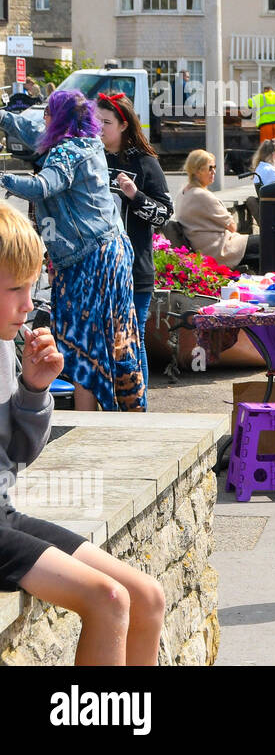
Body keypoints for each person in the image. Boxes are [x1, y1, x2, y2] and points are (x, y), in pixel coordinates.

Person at [0, 203, 165, 664]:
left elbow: (16, 453)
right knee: (108, 600)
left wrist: (34, 389)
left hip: (4, 513)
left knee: (146, 596)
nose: (29, 305)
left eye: (32, 287)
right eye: (15, 289)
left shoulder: (4, 350)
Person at [0, 91, 144, 411]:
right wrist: (4, 117)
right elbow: (33, 134)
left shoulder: (68, 151)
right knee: (111, 343)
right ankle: (121, 416)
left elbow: (42, 187)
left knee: (83, 349)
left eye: (49, 115)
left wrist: (3, 178)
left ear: (60, 119)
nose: (44, 121)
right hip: (106, 252)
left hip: (91, 260)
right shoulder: (85, 143)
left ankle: (88, 425)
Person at [98, 92, 172, 399]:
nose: (98, 127)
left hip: (134, 270)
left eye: (106, 122)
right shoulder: (91, 158)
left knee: (131, 339)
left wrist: (135, 196)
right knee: (101, 341)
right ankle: (109, 405)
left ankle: (138, 407)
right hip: (98, 268)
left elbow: (165, 213)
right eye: (94, 121)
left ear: (123, 124)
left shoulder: (144, 162)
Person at [175, 149, 259, 268]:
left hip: (207, 248)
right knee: (269, 242)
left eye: (214, 167)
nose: (214, 171)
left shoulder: (183, 192)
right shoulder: (201, 195)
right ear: (198, 170)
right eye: (210, 168)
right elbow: (232, 226)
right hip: (221, 250)